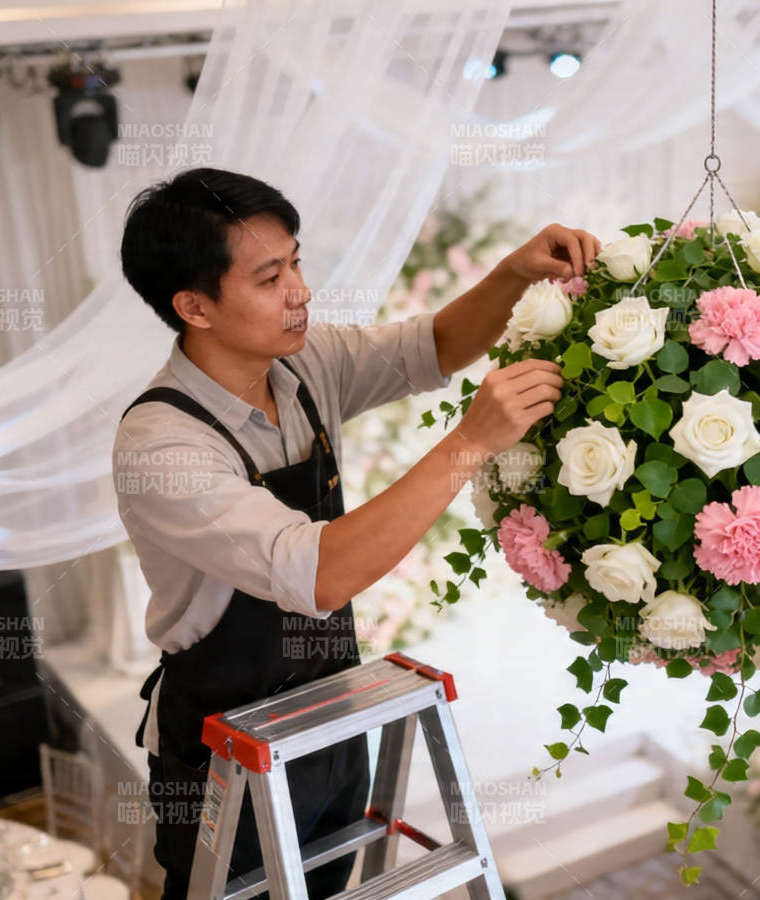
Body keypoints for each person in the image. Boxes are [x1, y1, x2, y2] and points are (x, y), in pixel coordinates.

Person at [111, 167, 595, 898]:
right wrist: (471, 442)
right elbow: (317, 575)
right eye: (270, 276)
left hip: (327, 712)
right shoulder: (160, 445)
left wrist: (515, 273)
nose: (300, 289)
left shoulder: (302, 365)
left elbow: (429, 347)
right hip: (226, 751)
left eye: (296, 261)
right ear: (194, 306)